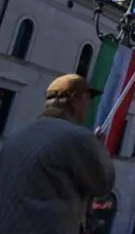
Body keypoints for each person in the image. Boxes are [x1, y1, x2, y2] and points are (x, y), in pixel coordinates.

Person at [0, 74, 116, 234]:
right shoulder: (78, 138)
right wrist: (98, 149)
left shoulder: (16, 137)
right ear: (74, 100)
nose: (89, 104)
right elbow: (104, 183)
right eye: (87, 98)